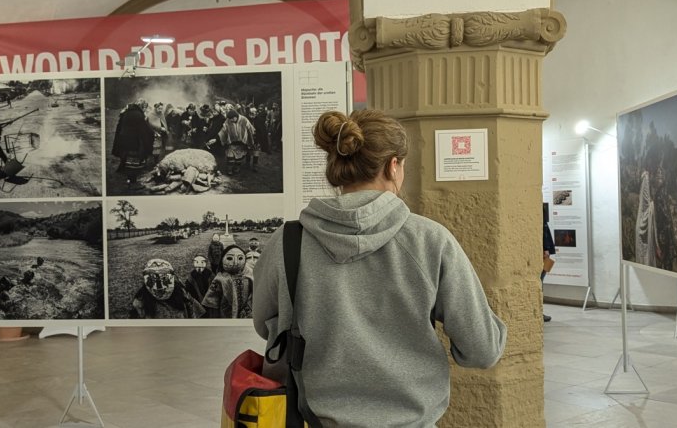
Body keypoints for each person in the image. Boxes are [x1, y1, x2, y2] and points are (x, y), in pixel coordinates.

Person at [252, 109, 506, 426]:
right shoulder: (430, 240)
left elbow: (265, 325)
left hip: (314, 418)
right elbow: (482, 349)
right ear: (393, 166)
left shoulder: (287, 241)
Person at [130, 258, 205, 319]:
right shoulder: (141, 302)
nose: (159, 286)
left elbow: (194, 316)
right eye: (153, 279)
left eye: (164, 278)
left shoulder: (183, 294)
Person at [202, 245, 253, 318]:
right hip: (226, 314)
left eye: (240, 258)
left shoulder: (249, 277)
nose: (235, 262)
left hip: (246, 313)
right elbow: (212, 300)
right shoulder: (220, 279)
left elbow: (254, 293)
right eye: (230, 258)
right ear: (222, 259)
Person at [112, 99, 154, 173]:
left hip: (124, 136)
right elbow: (144, 128)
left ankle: (123, 168)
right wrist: (151, 132)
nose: (145, 110)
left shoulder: (127, 111)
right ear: (142, 106)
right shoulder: (138, 114)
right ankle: (134, 170)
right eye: (145, 108)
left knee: (125, 153)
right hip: (133, 138)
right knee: (134, 154)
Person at [542, 203, 555, 322]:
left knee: (540, 281)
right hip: (542, 252)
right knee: (539, 281)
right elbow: (543, 228)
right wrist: (546, 248)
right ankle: (538, 311)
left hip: (543, 250)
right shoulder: (537, 206)